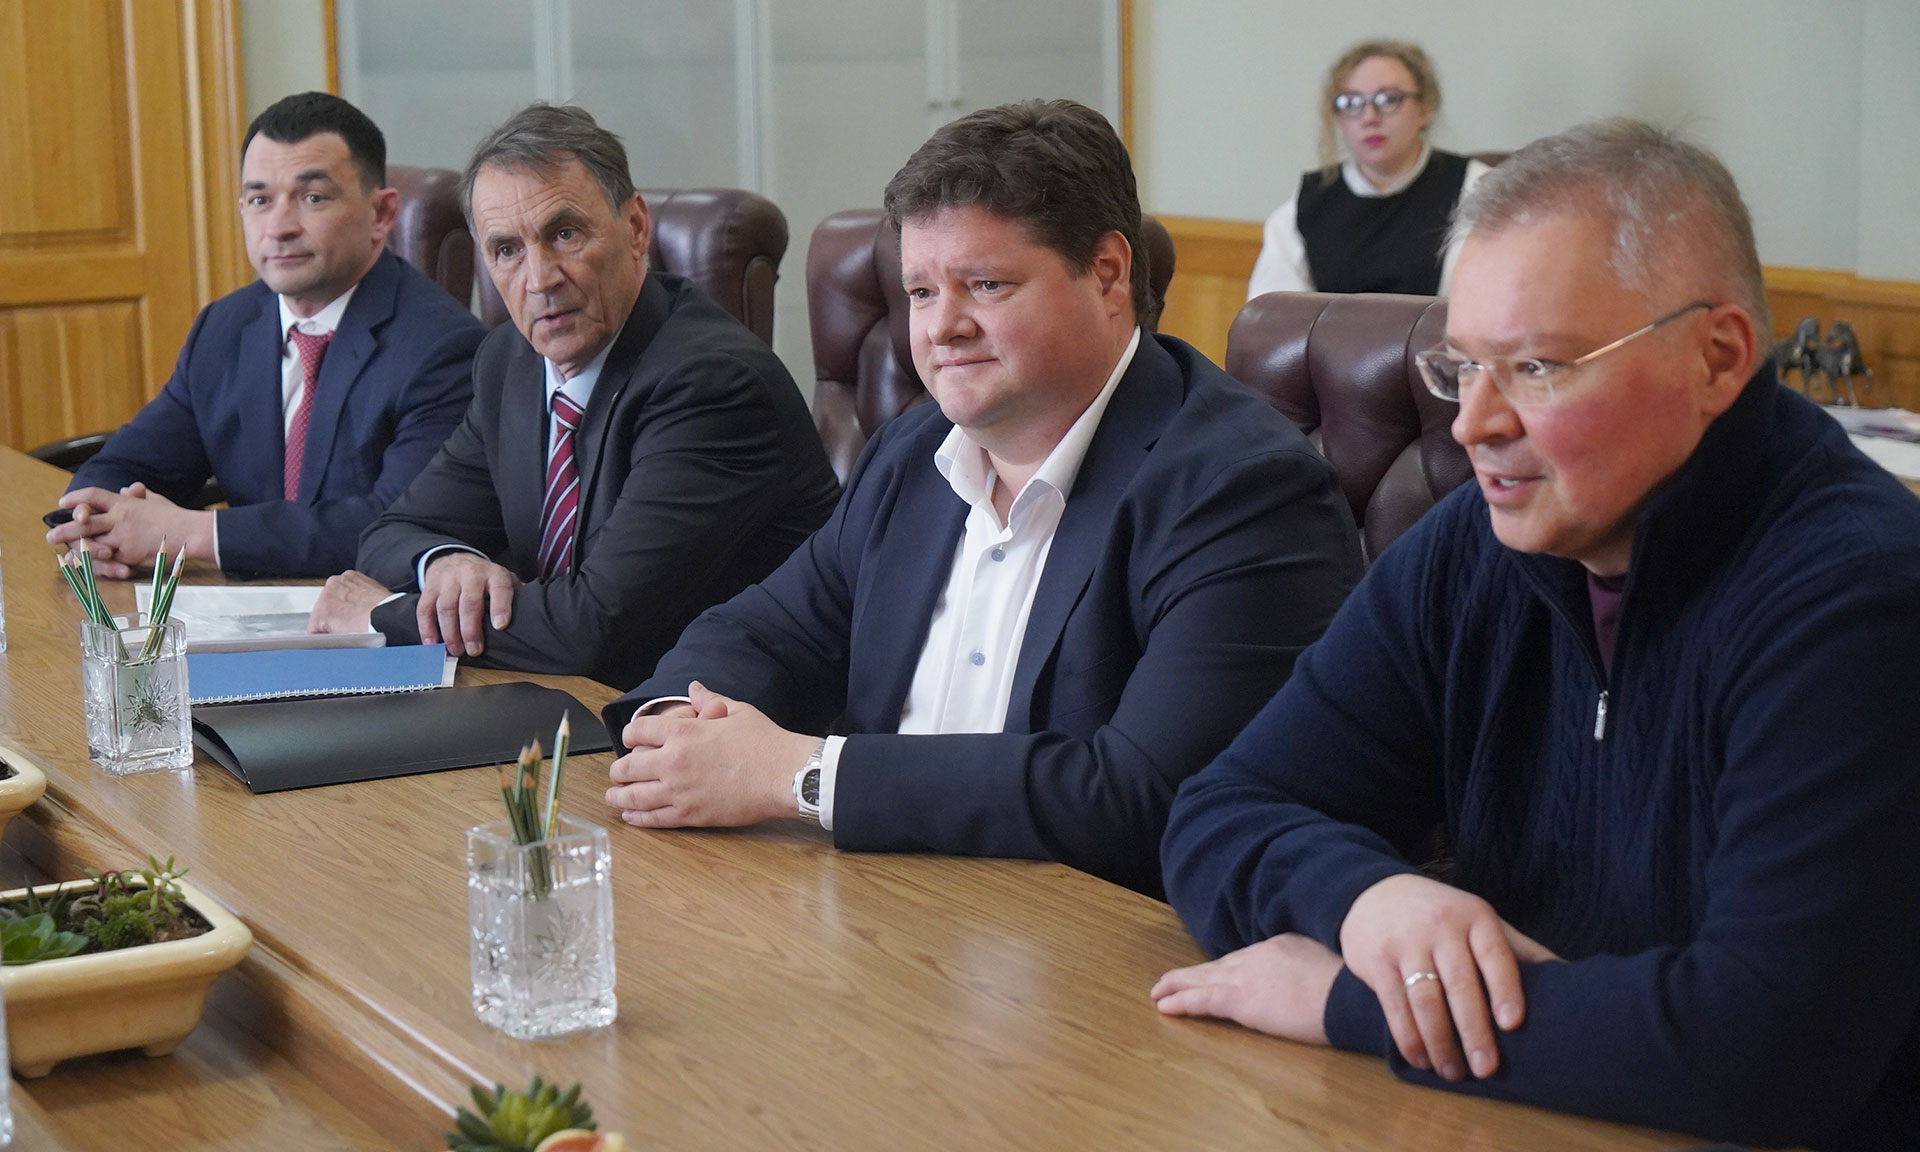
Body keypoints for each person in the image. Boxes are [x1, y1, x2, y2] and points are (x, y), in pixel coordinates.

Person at [1154, 119, 1920, 1151]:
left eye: (1538, 367)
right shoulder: (1474, 546)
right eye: (1463, 368)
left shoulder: (1856, 596)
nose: (1475, 423)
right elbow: (1220, 811)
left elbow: (1768, 1049)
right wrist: (1367, 899)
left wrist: (1353, 1002)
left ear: (1718, 357)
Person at [600, 100, 1362, 897]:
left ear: (1107, 274)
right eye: (921, 292)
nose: (942, 328)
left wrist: (804, 775)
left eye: (985, 285)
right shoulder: (909, 455)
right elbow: (765, 630)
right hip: (884, 908)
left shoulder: (1242, 491)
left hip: (1092, 941)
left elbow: (1144, 796)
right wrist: (676, 725)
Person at [310, 103, 839, 691]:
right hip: (567, 700)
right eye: (506, 250)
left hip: (713, 715)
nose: (540, 279)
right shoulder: (509, 362)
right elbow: (392, 532)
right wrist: (450, 564)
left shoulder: (714, 384)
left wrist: (382, 615)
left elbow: (592, 628)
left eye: (564, 234)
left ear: (635, 228)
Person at [48, 91, 484, 579]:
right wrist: (93, 526)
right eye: (260, 200)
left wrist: (196, 534)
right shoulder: (226, 327)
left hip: (372, 609)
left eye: (312, 198)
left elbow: (398, 525)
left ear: (381, 214)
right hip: (238, 607)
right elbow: (129, 464)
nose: (279, 227)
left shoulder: (444, 348)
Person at [1245, 40, 1490, 299]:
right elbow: (1272, 311)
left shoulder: (1478, 189)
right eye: (1351, 102)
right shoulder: (1308, 204)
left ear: (1425, 108)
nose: (1369, 117)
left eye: (1388, 99)